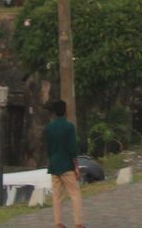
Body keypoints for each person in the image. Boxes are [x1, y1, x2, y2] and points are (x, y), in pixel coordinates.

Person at [44, 97, 87, 228]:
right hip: (67, 165)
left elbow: (48, 148)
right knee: (75, 193)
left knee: (56, 196)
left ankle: (58, 223)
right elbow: (72, 148)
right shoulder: (69, 127)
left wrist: (51, 161)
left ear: (55, 113)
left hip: (54, 165)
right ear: (65, 112)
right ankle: (78, 223)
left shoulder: (49, 128)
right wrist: (76, 167)